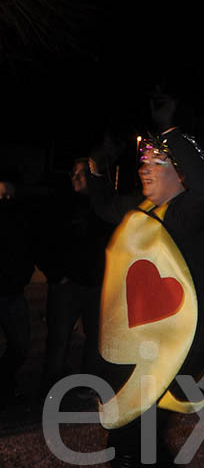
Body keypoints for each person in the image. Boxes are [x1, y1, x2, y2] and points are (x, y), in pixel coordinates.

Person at [87, 93, 204, 468]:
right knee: (144, 445)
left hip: (176, 354)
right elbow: (106, 205)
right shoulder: (145, 212)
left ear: (179, 174)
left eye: (155, 165)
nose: (144, 170)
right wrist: (96, 170)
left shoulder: (190, 213)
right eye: (142, 165)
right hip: (149, 353)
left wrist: (171, 132)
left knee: (127, 446)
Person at [38, 158, 113, 395]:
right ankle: (51, 386)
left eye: (81, 174)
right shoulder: (60, 206)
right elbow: (43, 242)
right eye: (74, 174)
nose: (76, 178)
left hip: (95, 284)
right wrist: (56, 275)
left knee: (95, 336)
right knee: (60, 337)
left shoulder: (103, 207)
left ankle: (87, 383)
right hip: (67, 285)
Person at [0, 172, 35, 408]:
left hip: (13, 293)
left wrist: (25, 273)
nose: (6, 199)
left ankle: (6, 385)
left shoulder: (21, 218)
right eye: (2, 195)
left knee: (20, 346)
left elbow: (29, 247)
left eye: (10, 195)